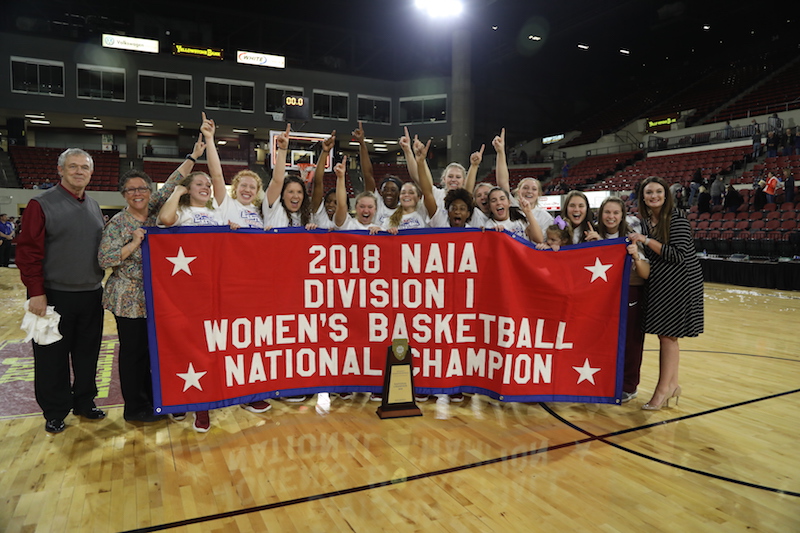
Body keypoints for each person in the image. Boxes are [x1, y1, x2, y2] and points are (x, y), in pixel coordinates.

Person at [98, 135, 206, 423]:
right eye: (131, 190)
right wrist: (133, 243)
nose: (137, 193)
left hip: (154, 298)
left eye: (142, 188)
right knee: (132, 355)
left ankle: (151, 400)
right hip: (127, 298)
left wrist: (193, 156)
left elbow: (173, 181)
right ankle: (134, 408)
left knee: (149, 352)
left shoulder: (156, 206)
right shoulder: (119, 223)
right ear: (123, 194)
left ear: (149, 191)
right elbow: (104, 259)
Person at [16, 148, 107, 433]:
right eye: (73, 167)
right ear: (60, 170)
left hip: (91, 294)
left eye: (84, 167)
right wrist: (35, 292)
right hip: (52, 295)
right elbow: (28, 251)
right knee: (50, 358)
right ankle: (55, 411)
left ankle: (84, 401)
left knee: (87, 354)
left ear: (91, 173)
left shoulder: (93, 205)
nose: (79, 171)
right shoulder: (40, 204)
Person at [629, 176, 703, 411]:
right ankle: (672, 385)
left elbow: (678, 255)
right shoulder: (647, 220)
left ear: (666, 195)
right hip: (662, 283)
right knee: (667, 337)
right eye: (649, 192)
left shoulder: (676, 218)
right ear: (642, 196)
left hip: (679, 283)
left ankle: (663, 390)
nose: (654, 196)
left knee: (667, 336)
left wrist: (646, 240)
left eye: (658, 192)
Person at [596, 197, 650, 403]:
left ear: (622, 215)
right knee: (603, 340)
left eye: (615, 213)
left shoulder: (632, 237)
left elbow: (646, 273)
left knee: (631, 341)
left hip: (630, 292)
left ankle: (629, 385)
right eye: (607, 212)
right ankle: (604, 382)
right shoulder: (594, 237)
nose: (611, 217)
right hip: (602, 296)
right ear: (601, 214)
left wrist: (636, 256)